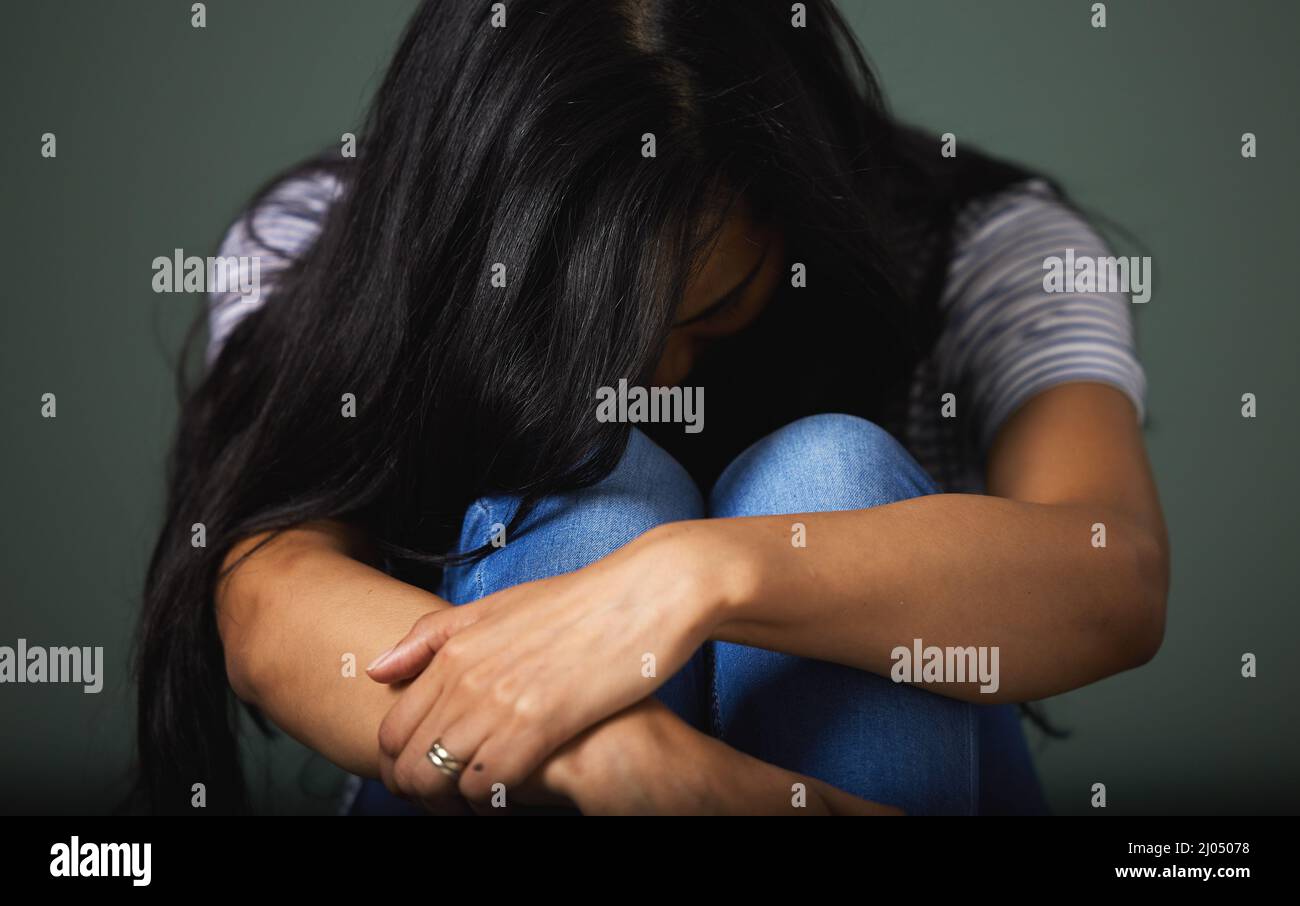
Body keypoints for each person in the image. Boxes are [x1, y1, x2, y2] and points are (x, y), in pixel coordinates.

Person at [135, 0, 1168, 815]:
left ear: (793, 206)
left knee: (825, 481)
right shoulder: (319, 239)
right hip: (502, 772)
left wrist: (698, 578)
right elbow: (268, 601)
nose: (657, 379)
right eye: (592, 334)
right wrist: (608, 754)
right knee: (588, 501)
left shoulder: (984, 243)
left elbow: (1112, 575)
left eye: (710, 310)